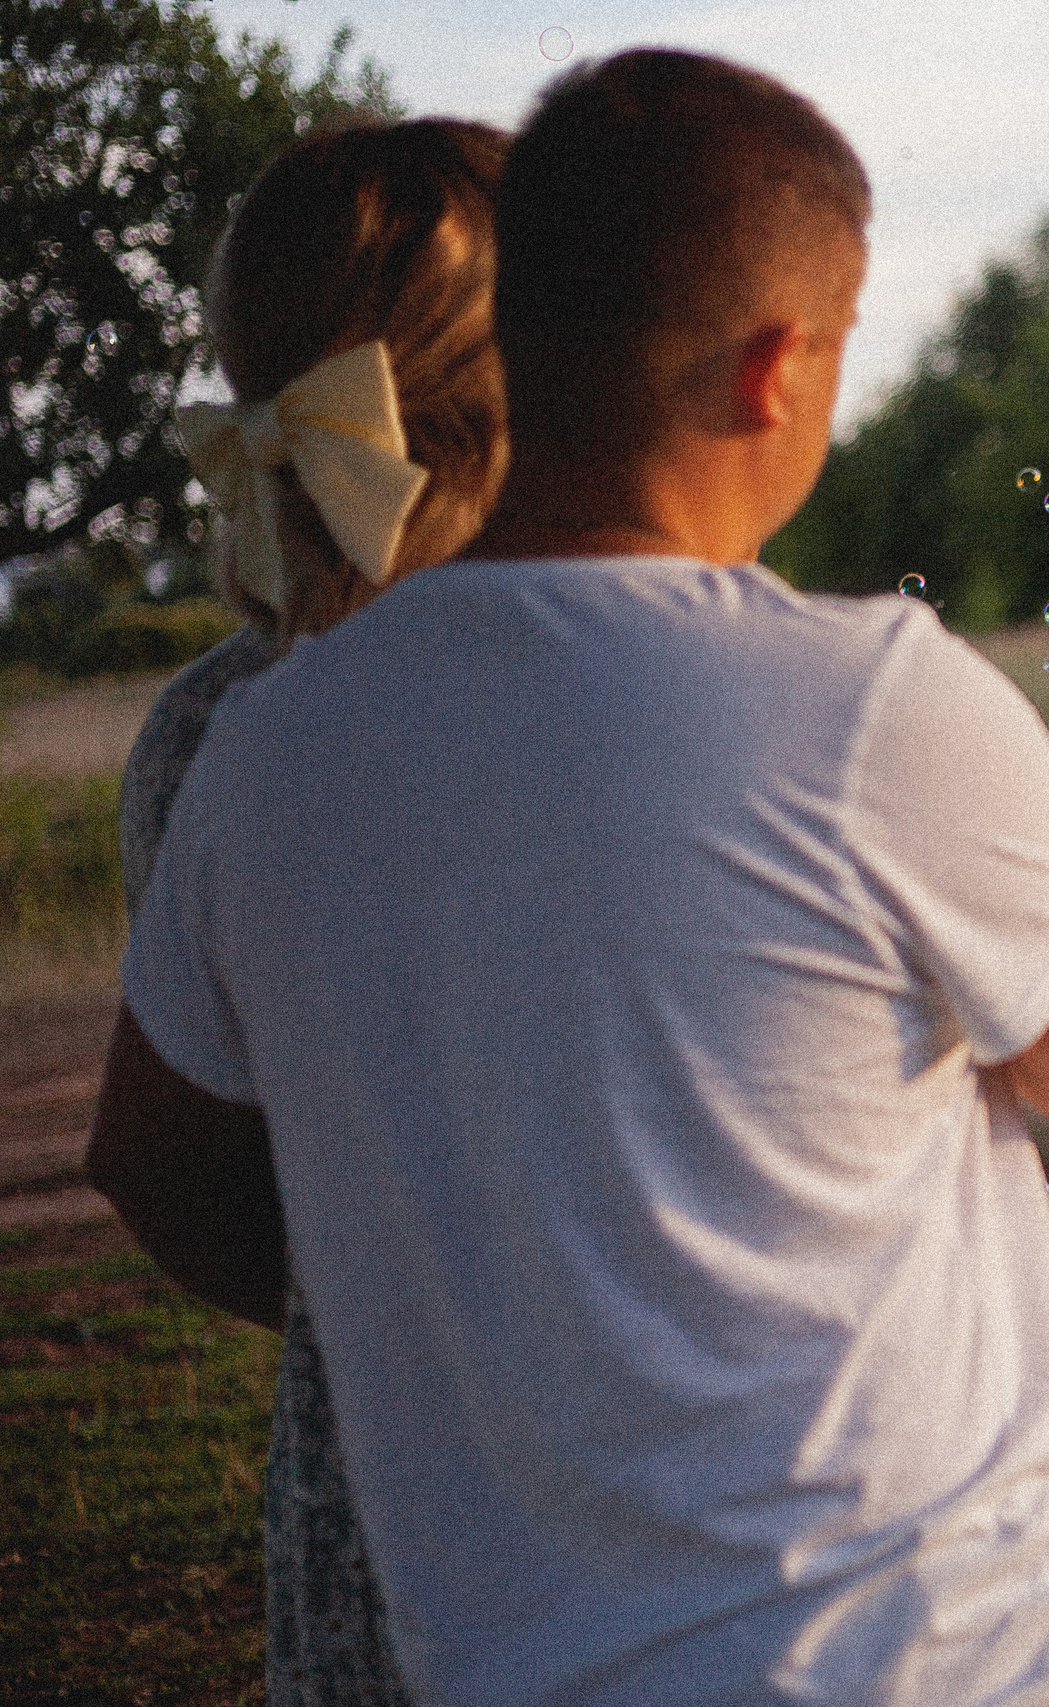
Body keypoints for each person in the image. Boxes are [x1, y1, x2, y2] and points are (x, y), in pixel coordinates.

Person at [90, 48, 1049, 1707]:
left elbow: (157, 1159)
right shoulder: (868, 697)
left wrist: (463, 1297)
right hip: (958, 1659)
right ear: (776, 369)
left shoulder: (259, 750)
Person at [116, 115, 513, 1707]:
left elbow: (179, 1164)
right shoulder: (614, 691)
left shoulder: (204, 728)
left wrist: (374, 1288)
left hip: (375, 1499)